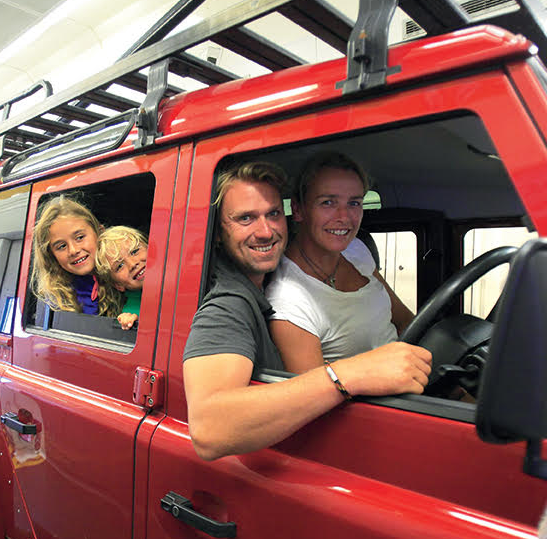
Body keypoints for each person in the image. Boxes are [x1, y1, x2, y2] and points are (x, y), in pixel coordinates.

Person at [182, 160, 432, 461]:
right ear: (218, 233)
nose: (265, 232)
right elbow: (209, 430)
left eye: (273, 214)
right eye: (246, 218)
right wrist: (351, 373)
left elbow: (405, 319)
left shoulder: (348, 253)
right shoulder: (228, 304)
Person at [266, 152, 414, 373]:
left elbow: (404, 320)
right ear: (298, 210)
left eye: (354, 203)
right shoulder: (287, 298)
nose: (345, 217)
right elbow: (312, 396)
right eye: (328, 202)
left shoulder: (357, 250)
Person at [31, 195, 121, 316]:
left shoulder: (123, 273)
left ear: (99, 232)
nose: (73, 250)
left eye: (79, 238)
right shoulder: (55, 303)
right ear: (52, 256)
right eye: (61, 246)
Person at [95, 225, 147, 330]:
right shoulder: (133, 309)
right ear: (118, 285)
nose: (132, 264)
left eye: (134, 251)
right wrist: (129, 320)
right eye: (120, 266)